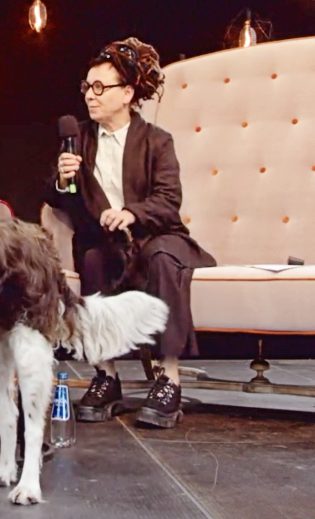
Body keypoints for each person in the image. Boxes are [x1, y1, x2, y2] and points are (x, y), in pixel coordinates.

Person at [45, 37, 216, 429]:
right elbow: (55, 197)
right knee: (92, 258)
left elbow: (168, 201)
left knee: (161, 258)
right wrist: (62, 180)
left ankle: (168, 380)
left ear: (127, 94)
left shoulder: (157, 141)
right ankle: (106, 376)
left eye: (99, 87)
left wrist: (131, 213)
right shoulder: (79, 139)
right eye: (87, 86)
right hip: (109, 243)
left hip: (158, 235)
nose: (90, 95)